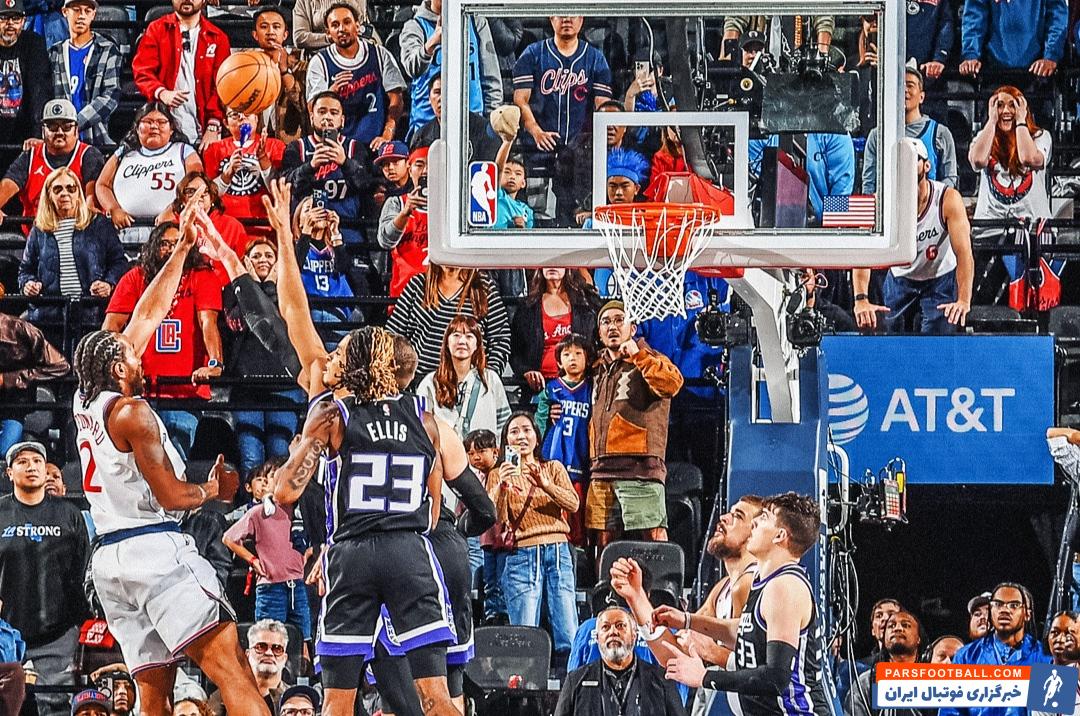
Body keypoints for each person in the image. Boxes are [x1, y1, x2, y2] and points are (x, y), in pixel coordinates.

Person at [265, 177, 462, 716]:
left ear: (353, 366)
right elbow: (434, 506)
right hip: (411, 550)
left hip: (352, 554)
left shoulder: (331, 412)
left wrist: (284, 235)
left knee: (336, 703)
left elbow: (284, 494)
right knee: (436, 698)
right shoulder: (425, 417)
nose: (331, 355)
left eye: (341, 351)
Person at [72, 203, 270, 716]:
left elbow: (146, 314)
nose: (140, 355)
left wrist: (181, 250)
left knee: (153, 696)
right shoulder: (133, 412)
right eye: (132, 356)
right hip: (153, 548)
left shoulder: (85, 400)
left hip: (110, 561)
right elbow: (170, 495)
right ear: (119, 368)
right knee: (233, 670)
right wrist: (212, 491)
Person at [660, 492, 831, 716]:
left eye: (765, 517)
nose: (755, 523)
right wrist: (687, 620)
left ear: (780, 536)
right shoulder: (765, 579)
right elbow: (746, 631)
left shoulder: (785, 586)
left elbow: (775, 678)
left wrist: (704, 677)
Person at [612, 496, 764, 716]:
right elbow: (673, 654)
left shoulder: (751, 583)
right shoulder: (722, 589)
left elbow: (761, 670)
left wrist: (712, 652)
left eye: (738, 516)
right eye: (729, 512)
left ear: (755, 532)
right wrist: (636, 597)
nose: (723, 518)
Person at [102, 219, 224, 458]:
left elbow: (208, 323)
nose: (169, 249)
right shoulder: (136, 277)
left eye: (176, 243)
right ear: (153, 246)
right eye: (164, 244)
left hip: (183, 393)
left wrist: (214, 363)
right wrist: (112, 371)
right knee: (136, 463)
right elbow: (111, 327)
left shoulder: (202, 276)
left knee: (174, 461)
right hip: (139, 392)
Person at [0, 441, 89, 716]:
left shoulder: (70, 515)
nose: (32, 467)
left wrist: (79, 624)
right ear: (9, 473)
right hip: (4, 635)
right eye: (23, 462)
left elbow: (84, 572)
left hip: (58, 638)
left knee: (57, 708)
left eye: (37, 461)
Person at [587, 299, 683, 548]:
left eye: (619, 320)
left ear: (633, 328)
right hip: (600, 469)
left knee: (653, 539)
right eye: (606, 322)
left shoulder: (649, 358)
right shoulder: (595, 367)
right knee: (602, 544)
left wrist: (639, 355)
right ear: (599, 331)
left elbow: (672, 384)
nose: (612, 326)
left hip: (640, 467)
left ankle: (660, 577)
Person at [853, 139, 973, 333]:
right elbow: (863, 253)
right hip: (901, 278)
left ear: (926, 165)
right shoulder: (881, 202)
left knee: (937, 339)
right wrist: (861, 299)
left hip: (939, 278)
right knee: (893, 340)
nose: (906, 165)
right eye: (900, 161)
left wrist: (963, 300)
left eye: (912, 159)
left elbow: (964, 253)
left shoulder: (947, 199)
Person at [488, 411, 580, 662]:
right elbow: (496, 518)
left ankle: (570, 681)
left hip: (558, 551)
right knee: (525, 636)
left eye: (527, 430)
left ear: (537, 438)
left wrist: (545, 484)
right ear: (506, 441)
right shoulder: (498, 474)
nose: (521, 436)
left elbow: (573, 504)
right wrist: (501, 487)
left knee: (568, 631)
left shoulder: (553, 468)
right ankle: (526, 686)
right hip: (522, 555)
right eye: (514, 431)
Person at [512, 15, 612, 225]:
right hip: (538, 149)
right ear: (551, 18)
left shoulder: (595, 58)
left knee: (575, 215)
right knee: (537, 215)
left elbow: (603, 107)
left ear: (581, 19)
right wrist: (536, 131)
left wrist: (589, 141)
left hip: (580, 154)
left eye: (572, 14)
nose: (567, 19)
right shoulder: (533, 53)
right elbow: (520, 100)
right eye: (561, 14)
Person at [220, 237, 304, 476]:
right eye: (256, 256)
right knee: (251, 457)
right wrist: (252, 286)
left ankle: (279, 501)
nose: (263, 260)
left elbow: (283, 323)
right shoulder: (232, 290)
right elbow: (238, 323)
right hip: (246, 385)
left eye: (269, 256)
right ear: (246, 262)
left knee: (280, 455)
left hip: (284, 386)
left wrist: (268, 287)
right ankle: (251, 501)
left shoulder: (288, 290)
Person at [18, 166, 126, 350]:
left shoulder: (99, 224)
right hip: (50, 315)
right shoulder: (39, 230)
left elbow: (119, 262)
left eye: (70, 188)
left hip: (91, 312)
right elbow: (25, 270)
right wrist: (28, 284)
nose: (64, 194)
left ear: (78, 193)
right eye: (57, 189)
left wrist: (109, 284)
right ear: (49, 195)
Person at [279, 90, 378, 288]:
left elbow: (366, 185)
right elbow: (286, 186)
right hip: (307, 234)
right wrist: (310, 166)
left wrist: (345, 162)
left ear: (342, 120)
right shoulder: (297, 148)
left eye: (334, 113)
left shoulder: (354, 148)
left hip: (348, 232)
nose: (327, 118)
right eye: (322, 111)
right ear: (312, 117)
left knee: (362, 288)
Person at [95, 102, 203, 241]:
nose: (154, 126)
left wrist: (174, 208)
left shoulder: (184, 151)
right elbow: (102, 184)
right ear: (137, 128)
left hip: (170, 230)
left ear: (171, 129)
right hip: (126, 231)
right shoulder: (124, 153)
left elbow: (197, 184)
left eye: (161, 122)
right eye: (148, 122)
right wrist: (114, 209)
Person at [939, 583, 1051, 716]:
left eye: (1014, 605)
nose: (1004, 610)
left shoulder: (1046, 657)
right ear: (991, 611)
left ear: (1027, 614)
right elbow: (949, 711)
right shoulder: (965, 656)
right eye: (998, 604)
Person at [305, 2, 405, 151]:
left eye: (347, 22)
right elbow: (313, 110)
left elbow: (396, 97)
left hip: (376, 143)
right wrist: (330, 93)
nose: (341, 29)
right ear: (328, 33)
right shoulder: (320, 62)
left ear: (358, 26)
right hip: (339, 147)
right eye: (335, 25)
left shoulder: (379, 54)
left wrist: (387, 133)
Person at [130, 0, 230, 149]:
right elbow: (142, 70)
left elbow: (222, 85)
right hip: (164, 127)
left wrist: (213, 125)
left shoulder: (218, 37)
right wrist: (161, 92)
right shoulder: (156, 29)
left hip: (204, 129)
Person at [222, 483, 312, 646]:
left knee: (303, 642)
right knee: (267, 641)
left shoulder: (304, 512)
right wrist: (252, 560)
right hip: (271, 587)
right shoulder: (259, 512)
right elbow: (229, 538)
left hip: (298, 586)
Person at [555, 606, 688, 716]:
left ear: (634, 635)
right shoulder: (575, 681)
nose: (613, 632)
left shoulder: (662, 681)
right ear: (597, 637)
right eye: (605, 627)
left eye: (620, 626)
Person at [386, 264, 511, 377]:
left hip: (468, 385)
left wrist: (486, 379)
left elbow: (500, 340)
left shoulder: (483, 289)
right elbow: (392, 336)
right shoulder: (418, 285)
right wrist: (401, 376)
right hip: (418, 382)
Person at [398, 0, 501, 136]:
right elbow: (412, 67)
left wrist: (492, 123)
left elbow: (491, 78)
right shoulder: (415, 26)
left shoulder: (476, 22)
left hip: (472, 124)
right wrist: (432, 43)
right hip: (427, 125)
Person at [0, 99, 105, 226]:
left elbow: (92, 199)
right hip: (36, 232)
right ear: (43, 131)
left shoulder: (89, 155)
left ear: (76, 131)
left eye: (66, 127)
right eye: (52, 127)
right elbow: (8, 184)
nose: (59, 132)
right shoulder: (30, 156)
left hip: (79, 232)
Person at [535, 333, 592, 545]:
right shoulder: (552, 389)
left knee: (578, 516)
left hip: (580, 458)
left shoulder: (593, 387)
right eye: (567, 354)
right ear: (559, 361)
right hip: (555, 457)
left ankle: (579, 554)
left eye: (578, 353)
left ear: (588, 358)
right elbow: (539, 422)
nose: (572, 358)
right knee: (555, 514)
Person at [863, 66, 957, 193]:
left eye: (910, 85)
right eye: (900, 86)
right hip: (889, 202)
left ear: (921, 97)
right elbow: (869, 182)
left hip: (929, 203)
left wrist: (933, 200)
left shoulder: (940, 133)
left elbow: (949, 179)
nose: (904, 90)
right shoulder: (877, 135)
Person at [417, 314, 511, 438]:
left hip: (484, 449)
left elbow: (504, 426)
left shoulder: (490, 379)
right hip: (444, 450)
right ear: (447, 342)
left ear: (477, 344)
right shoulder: (430, 382)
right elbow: (420, 426)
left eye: (469, 336)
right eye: (456, 335)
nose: (462, 341)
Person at [510, 268, 599, 392]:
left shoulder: (585, 303)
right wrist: (526, 371)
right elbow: (515, 350)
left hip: (580, 385)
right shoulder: (528, 307)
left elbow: (599, 338)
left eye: (557, 263)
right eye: (547, 264)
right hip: (540, 387)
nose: (552, 267)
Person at [48, 0, 122, 147]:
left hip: (95, 138)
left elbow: (111, 95)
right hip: (58, 139)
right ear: (65, 12)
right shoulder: (54, 52)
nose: (81, 16)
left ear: (93, 14)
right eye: (76, 10)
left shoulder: (107, 50)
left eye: (87, 11)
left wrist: (75, 122)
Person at [0, 311, 69, 456]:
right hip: (13, 409)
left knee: (5, 451)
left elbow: (60, 366)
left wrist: (10, 379)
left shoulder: (19, 328)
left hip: (13, 409)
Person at [202, 108, 287, 227]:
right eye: (234, 114)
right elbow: (209, 196)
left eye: (247, 113)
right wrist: (228, 173)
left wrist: (263, 159)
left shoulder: (275, 146)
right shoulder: (214, 150)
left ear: (256, 118)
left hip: (264, 223)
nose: (242, 117)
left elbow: (279, 192)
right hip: (226, 226)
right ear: (226, 123)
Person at [958, 0, 1066, 80]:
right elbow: (974, 15)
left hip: (1038, 74)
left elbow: (1057, 17)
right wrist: (971, 54)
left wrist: (1051, 56)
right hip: (993, 71)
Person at [0, 0, 50, 170]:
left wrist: (38, 134)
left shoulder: (33, 43)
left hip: (23, 134)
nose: (10, 24)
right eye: (4, 18)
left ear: (23, 21)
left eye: (15, 18)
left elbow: (39, 90)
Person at [848, 610, 926, 716]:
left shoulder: (933, 680)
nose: (897, 628)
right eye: (891, 626)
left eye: (905, 625)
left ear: (919, 638)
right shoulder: (866, 682)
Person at [206, 620, 292, 715]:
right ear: (247, 655)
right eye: (261, 647)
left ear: (285, 658)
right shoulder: (224, 695)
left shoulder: (295, 699)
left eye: (277, 649)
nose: (269, 653)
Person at [378, 146, 431, 297]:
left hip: (443, 294)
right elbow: (385, 241)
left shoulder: (452, 207)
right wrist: (405, 213)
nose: (425, 171)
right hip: (404, 294)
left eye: (432, 164)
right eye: (419, 165)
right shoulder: (396, 203)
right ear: (410, 168)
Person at [250, 6, 308, 144]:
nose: (270, 32)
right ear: (255, 35)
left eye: (276, 27)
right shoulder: (247, 66)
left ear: (285, 34)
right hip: (256, 144)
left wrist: (284, 70)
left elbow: (303, 106)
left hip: (290, 145)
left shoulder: (301, 67)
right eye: (264, 27)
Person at [292, 0, 367, 51]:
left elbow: (360, 22)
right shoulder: (303, 2)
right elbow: (299, 37)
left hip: (351, 52)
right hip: (317, 56)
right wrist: (330, 38)